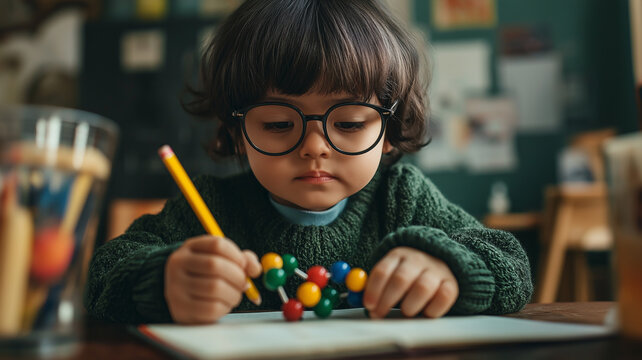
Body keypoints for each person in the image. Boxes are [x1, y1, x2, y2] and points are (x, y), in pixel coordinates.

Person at [84, 0, 532, 324]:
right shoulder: (208, 206)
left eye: (351, 123)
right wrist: (161, 282)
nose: (315, 146)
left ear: (389, 131)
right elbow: (102, 277)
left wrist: (450, 268)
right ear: (237, 132)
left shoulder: (403, 199)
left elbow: (512, 266)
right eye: (279, 124)